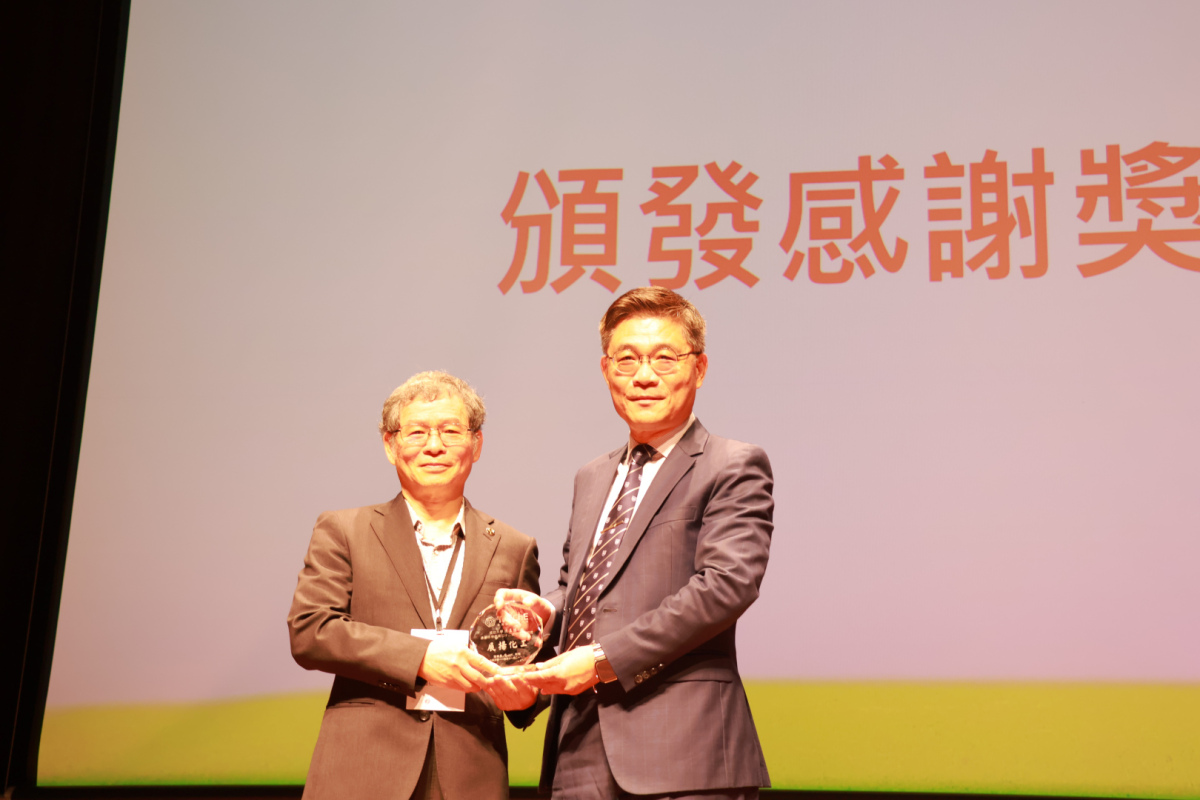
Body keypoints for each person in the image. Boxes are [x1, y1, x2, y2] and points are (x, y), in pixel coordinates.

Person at [497, 287, 774, 799]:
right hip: (576, 749)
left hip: (683, 754)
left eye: (664, 358)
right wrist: (545, 612)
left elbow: (726, 586)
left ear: (699, 367)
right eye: (626, 360)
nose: (644, 376)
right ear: (606, 371)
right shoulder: (592, 476)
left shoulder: (732, 464)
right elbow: (584, 589)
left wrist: (603, 659)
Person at [289, 371, 539, 800]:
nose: (434, 446)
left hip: (470, 775)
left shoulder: (515, 547)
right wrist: (420, 658)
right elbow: (311, 630)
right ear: (390, 445)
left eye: (451, 431)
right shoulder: (345, 530)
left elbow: (526, 664)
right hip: (364, 771)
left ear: (476, 444)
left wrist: (526, 697)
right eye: (417, 432)